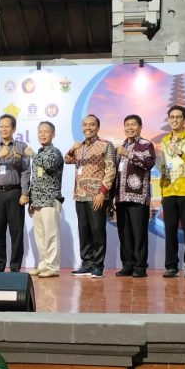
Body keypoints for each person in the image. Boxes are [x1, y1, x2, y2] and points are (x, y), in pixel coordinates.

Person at [64, 114, 116, 278]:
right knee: (84, 230)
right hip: (80, 195)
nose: (88, 128)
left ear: (98, 127)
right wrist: (72, 149)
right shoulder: (79, 146)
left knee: (97, 230)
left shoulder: (105, 145)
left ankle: (98, 266)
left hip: (96, 195)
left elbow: (111, 170)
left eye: (92, 124)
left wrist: (102, 193)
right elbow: (67, 160)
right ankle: (86, 264)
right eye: (85, 124)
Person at [0, 114, 32, 273]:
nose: (3, 129)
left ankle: (15, 267)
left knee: (16, 232)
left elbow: (26, 171)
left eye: (7, 126)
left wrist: (25, 192)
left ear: (13, 129)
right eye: (1, 126)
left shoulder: (21, 147)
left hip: (15, 193)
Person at [158, 105, 185, 278]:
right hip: (168, 190)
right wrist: (162, 187)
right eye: (172, 117)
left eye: (178, 117)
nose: (174, 120)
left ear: (184, 120)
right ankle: (171, 266)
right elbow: (163, 165)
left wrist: (180, 152)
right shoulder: (164, 140)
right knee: (170, 230)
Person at [113, 114, 156, 278]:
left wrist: (128, 154)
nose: (129, 128)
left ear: (140, 126)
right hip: (121, 197)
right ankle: (127, 265)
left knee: (139, 233)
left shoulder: (146, 145)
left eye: (133, 124)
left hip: (138, 197)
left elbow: (148, 164)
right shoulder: (121, 145)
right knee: (124, 234)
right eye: (127, 125)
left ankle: (140, 266)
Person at [28, 121, 64, 278]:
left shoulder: (55, 152)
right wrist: (31, 200)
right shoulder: (40, 153)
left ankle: (52, 266)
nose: (42, 134)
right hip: (37, 201)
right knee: (40, 236)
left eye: (46, 131)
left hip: (50, 199)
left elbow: (48, 165)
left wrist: (32, 155)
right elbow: (35, 179)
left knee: (51, 235)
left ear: (53, 134)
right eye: (40, 131)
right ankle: (43, 264)